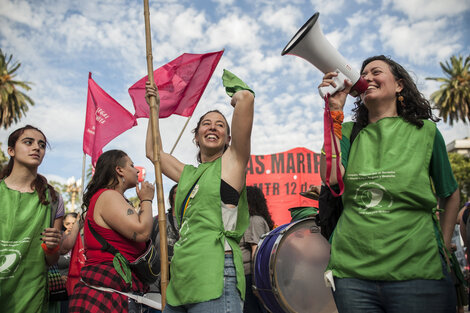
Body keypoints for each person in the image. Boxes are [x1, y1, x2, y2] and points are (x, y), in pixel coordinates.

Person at [319, 55, 460, 312]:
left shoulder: (425, 131)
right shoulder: (348, 132)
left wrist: (445, 242)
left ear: (399, 85)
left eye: (376, 72)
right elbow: (331, 178)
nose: (368, 78)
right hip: (352, 276)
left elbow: (449, 193)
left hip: (418, 272)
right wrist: (333, 111)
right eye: (363, 75)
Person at [145, 69, 255, 313]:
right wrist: (154, 109)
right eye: (206, 124)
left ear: (228, 138)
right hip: (181, 278)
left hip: (215, 272)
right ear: (196, 136)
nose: (213, 127)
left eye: (220, 125)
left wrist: (238, 97)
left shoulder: (232, 164)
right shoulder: (188, 174)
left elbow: (246, 99)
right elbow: (154, 153)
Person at [68, 149, 155, 312]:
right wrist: (147, 199)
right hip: (106, 294)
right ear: (119, 170)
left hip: (111, 290)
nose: (136, 170)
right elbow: (142, 231)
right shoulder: (109, 196)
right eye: (131, 165)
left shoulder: (110, 197)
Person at [0, 125, 64, 313]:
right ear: (11, 150)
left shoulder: (54, 199)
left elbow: (51, 259)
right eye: (28, 142)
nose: (37, 148)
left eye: (42, 145)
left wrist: (52, 246)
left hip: (32, 296)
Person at [239, 186, 274, 313]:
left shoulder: (254, 220)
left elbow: (256, 253)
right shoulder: (254, 220)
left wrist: (256, 283)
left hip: (249, 276)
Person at [150, 183, 179, 294]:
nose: (180, 193)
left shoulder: (193, 222)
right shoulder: (157, 220)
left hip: (183, 282)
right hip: (157, 283)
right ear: (171, 197)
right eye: (176, 192)